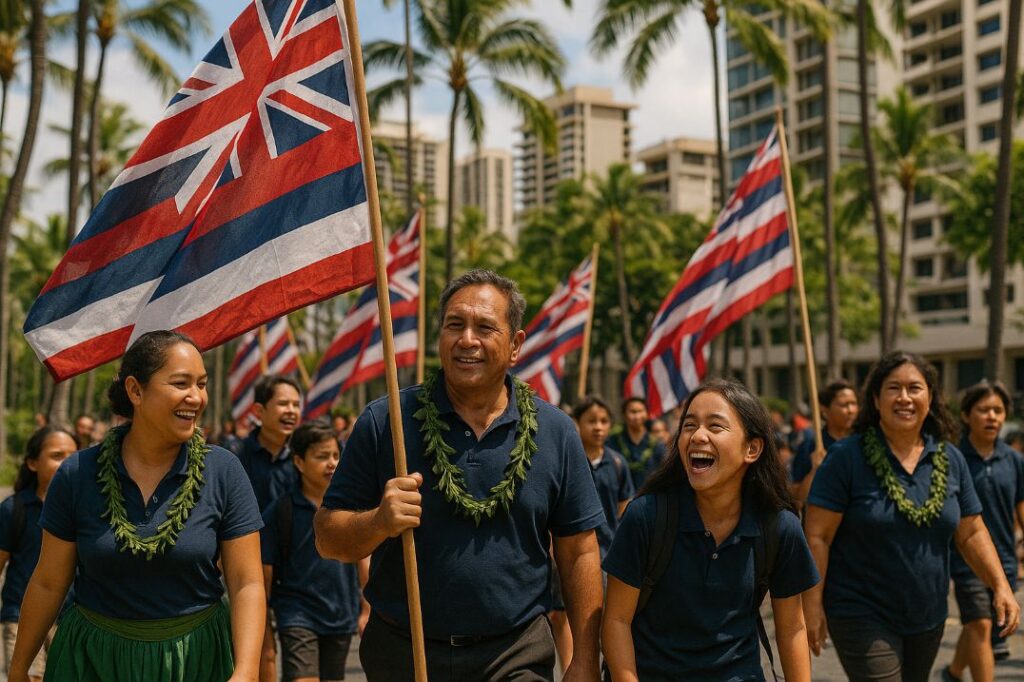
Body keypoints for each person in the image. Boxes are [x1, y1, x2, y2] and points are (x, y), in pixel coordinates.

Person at [315, 269, 605, 682]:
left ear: (516, 345)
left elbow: (580, 553)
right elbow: (328, 538)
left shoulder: (555, 431)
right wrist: (378, 521)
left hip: (515, 655)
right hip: (404, 652)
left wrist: (585, 658)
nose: (467, 339)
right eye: (455, 325)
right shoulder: (387, 422)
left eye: (485, 327)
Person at [8, 330, 266, 682]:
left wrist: (247, 670)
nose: (196, 397)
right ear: (135, 391)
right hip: (93, 663)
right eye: (180, 383)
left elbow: (246, 582)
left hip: (195, 661)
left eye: (201, 384)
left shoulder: (224, 471)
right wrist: (19, 667)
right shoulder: (77, 473)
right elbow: (49, 582)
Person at [804, 351, 1020, 682]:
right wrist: (813, 605)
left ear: (930, 398)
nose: (904, 397)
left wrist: (1000, 585)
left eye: (915, 388)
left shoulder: (950, 458)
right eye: (893, 388)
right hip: (860, 611)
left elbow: (971, 532)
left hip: (928, 614)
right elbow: (818, 535)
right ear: (875, 399)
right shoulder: (845, 458)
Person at [602, 378, 820, 681]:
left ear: (752, 448)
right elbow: (615, 620)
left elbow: (791, 628)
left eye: (715, 426)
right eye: (688, 425)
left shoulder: (779, 527)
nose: (697, 436)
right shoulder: (646, 517)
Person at [260, 421, 368, 682]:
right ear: (298, 462)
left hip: (340, 615)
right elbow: (263, 573)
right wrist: (263, 631)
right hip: (296, 614)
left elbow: (363, 556)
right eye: (321, 457)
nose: (331, 463)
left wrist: (366, 610)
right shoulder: (280, 511)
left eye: (335, 456)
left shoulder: (349, 507)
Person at [944, 382, 1024, 682]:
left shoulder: (1014, 460)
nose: (992, 416)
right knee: (980, 625)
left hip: (1004, 559)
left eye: (998, 410)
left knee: (980, 624)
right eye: (984, 410)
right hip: (964, 558)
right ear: (966, 415)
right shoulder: (953, 458)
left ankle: (953, 672)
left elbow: (1021, 506)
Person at [0, 427, 76, 681]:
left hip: (69, 622)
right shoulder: (15, 509)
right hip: (21, 621)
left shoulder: (84, 510)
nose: (66, 463)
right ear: (33, 463)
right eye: (57, 455)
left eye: (72, 455)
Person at [790, 380, 859, 508]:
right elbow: (798, 498)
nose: (851, 410)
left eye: (854, 404)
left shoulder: (864, 442)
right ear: (824, 410)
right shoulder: (812, 445)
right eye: (844, 405)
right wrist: (815, 470)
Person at [238, 375, 302, 512]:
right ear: (259, 411)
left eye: (296, 405)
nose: (291, 411)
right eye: (283, 404)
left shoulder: (305, 455)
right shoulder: (236, 456)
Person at [614, 398, 666, 490]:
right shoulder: (614, 441)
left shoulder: (656, 445)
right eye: (633, 412)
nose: (637, 416)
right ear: (624, 414)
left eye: (640, 411)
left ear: (646, 414)